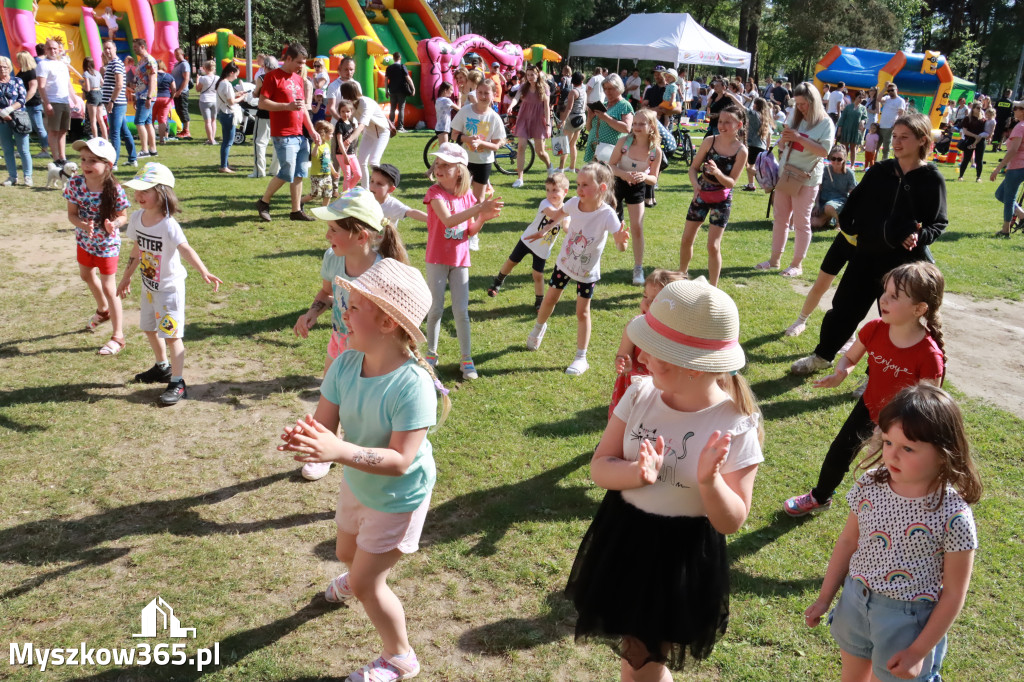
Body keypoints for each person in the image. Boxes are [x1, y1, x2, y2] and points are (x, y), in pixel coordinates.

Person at [566, 277, 763, 681]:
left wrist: (709, 482)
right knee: (638, 658)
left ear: (695, 367)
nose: (645, 358)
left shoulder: (735, 425)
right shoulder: (639, 394)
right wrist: (635, 473)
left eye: (659, 355)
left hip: (677, 556)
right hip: (624, 537)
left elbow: (731, 521)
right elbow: (600, 466)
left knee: (642, 661)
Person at [278, 257, 451, 682]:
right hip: (358, 484)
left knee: (367, 585)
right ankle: (354, 574)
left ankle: (399, 657)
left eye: (354, 308)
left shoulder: (413, 386)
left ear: (389, 322)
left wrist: (336, 450)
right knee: (344, 554)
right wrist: (308, 437)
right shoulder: (344, 365)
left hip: (397, 497)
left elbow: (399, 461)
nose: (344, 314)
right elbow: (325, 426)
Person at [804, 383, 980, 682]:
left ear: (943, 452)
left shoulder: (954, 516)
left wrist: (917, 653)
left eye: (907, 448)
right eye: (887, 442)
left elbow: (953, 594)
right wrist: (824, 598)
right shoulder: (869, 484)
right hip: (854, 604)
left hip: (907, 623)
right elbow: (848, 541)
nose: (891, 456)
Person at [791, 113, 947, 376]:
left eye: (904, 137)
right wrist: (854, 229)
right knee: (843, 310)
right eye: (894, 136)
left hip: (901, 265)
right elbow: (852, 207)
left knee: (894, 321)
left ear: (922, 140)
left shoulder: (931, 178)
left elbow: (938, 223)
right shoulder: (880, 171)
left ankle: (876, 374)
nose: (896, 142)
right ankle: (822, 356)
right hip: (865, 256)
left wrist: (919, 236)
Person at [786, 261, 946, 517]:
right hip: (869, 405)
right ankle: (820, 497)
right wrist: (841, 373)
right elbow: (850, 357)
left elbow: (926, 408)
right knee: (839, 453)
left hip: (902, 425)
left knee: (885, 472)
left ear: (919, 309)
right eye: (885, 291)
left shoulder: (929, 356)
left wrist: (892, 432)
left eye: (894, 296)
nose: (883, 299)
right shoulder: (874, 329)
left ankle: (887, 516)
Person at [292, 188, 411, 483]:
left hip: (373, 349)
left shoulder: (385, 270)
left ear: (361, 237)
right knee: (329, 397)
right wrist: (312, 312)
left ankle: (371, 455)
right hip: (340, 341)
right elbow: (326, 292)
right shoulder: (333, 258)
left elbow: (398, 319)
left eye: (333, 229)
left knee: (364, 405)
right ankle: (325, 453)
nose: (327, 236)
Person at [116, 163, 222, 405]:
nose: (139, 195)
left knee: (172, 334)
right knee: (148, 328)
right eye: (137, 190)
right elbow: (137, 248)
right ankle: (162, 366)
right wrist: (126, 277)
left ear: (162, 193)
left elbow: (185, 248)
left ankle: (177, 381)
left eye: (146, 190)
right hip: (149, 287)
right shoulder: (136, 218)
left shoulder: (168, 224)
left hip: (169, 290)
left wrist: (204, 271)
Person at [526, 162, 629, 376]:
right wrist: (543, 230)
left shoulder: (608, 214)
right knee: (549, 299)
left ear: (601, 188)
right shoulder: (573, 203)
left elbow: (621, 247)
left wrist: (621, 241)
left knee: (582, 312)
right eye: (578, 184)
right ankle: (538, 328)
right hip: (564, 264)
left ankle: (581, 358)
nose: (579, 189)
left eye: (584, 185)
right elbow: (558, 216)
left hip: (586, 273)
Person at [423, 142, 504, 379]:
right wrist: (480, 207)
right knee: (436, 308)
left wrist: (483, 217)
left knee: (461, 311)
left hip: (460, 259)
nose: (439, 168)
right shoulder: (434, 193)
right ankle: (430, 354)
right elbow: (448, 221)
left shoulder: (467, 195)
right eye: (437, 164)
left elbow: (470, 231)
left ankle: (466, 358)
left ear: (459, 169)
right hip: (437, 258)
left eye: (446, 165)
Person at [755, 82, 834, 278]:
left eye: (803, 104)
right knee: (780, 218)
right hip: (786, 174)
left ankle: (797, 265)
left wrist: (798, 138)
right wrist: (785, 139)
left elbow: (824, 151)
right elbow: (783, 146)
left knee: (801, 222)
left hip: (806, 179)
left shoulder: (826, 123)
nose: (800, 108)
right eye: (797, 104)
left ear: (814, 102)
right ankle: (774, 260)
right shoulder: (796, 117)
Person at [64, 137, 130, 354]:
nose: (85, 165)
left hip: (107, 245)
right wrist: (83, 225)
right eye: (83, 159)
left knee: (109, 288)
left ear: (108, 165)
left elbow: (123, 216)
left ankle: (118, 336)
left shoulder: (114, 189)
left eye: (92, 161)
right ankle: (103, 311)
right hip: (84, 241)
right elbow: (71, 215)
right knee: (85, 275)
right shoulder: (74, 184)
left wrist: (115, 224)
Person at [607, 268, 687, 419]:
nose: (647, 303)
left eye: (656, 299)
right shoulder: (634, 327)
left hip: (664, 390)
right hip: (633, 388)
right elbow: (622, 354)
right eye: (645, 296)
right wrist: (622, 362)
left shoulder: (677, 336)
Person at [255, 43, 322, 222]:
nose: (302, 66)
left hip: (300, 134)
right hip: (283, 133)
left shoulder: (298, 79)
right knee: (287, 171)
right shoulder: (272, 77)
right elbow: (262, 103)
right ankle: (263, 202)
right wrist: (287, 106)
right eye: (300, 62)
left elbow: (302, 109)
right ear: (289, 58)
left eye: (304, 62)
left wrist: (312, 130)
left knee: (300, 172)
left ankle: (296, 211)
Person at [681, 105, 747, 287]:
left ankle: (713, 288)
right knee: (687, 239)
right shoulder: (709, 141)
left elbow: (731, 182)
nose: (722, 125)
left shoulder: (741, 151)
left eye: (728, 122)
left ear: (739, 125)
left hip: (722, 200)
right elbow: (693, 168)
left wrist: (717, 173)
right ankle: (682, 276)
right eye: (720, 121)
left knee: (713, 246)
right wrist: (696, 186)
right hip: (701, 195)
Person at [488, 172, 571, 309]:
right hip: (527, 241)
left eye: (555, 190)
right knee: (511, 262)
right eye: (548, 190)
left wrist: (575, 227)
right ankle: (498, 281)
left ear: (565, 191)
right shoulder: (545, 203)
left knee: (537, 275)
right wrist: (570, 211)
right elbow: (555, 215)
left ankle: (539, 302)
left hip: (543, 249)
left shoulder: (566, 212)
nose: (550, 194)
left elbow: (567, 228)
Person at [450, 77, 505, 250]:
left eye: (486, 93)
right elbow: (454, 135)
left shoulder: (494, 118)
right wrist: (467, 139)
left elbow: (496, 145)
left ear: (493, 95)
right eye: (479, 92)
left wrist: (481, 143)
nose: (482, 96)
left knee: (478, 199)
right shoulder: (465, 111)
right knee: (459, 195)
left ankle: (474, 235)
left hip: (483, 162)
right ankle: (458, 229)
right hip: (464, 161)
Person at [609, 109, 662, 285]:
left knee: (637, 227)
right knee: (606, 223)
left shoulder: (655, 151)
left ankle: (638, 268)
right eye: (635, 123)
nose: (637, 127)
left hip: (637, 187)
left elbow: (654, 178)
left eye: (642, 124)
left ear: (651, 127)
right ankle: (588, 260)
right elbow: (610, 166)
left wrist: (643, 177)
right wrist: (624, 175)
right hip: (617, 184)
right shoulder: (624, 142)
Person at [341, 81, 391, 191]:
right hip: (369, 133)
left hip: (381, 132)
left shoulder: (366, 103)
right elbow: (349, 121)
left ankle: (383, 185)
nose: (344, 99)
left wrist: (349, 140)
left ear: (350, 94)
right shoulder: (353, 104)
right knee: (361, 162)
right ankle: (366, 190)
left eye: (345, 95)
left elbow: (362, 125)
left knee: (373, 162)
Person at [509, 65, 553, 187]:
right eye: (528, 75)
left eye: (532, 74)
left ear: (537, 74)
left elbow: (546, 107)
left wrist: (548, 126)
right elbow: (516, 98)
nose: (530, 77)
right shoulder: (523, 87)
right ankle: (520, 178)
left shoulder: (544, 88)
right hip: (524, 119)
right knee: (521, 147)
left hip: (539, 120)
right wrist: (511, 106)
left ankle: (549, 166)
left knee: (540, 152)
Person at [36, 38, 74, 164]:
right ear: (45, 50)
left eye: (55, 48)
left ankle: (63, 157)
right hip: (53, 101)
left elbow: (68, 84)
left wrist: (73, 100)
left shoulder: (62, 64)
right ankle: (56, 158)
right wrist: (47, 103)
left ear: (59, 49)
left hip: (64, 100)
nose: (52, 51)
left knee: (63, 130)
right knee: (53, 130)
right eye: (50, 48)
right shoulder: (43, 64)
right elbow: (41, 86)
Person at [99, 41, 136, 169]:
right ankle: (132, 158)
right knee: (124, 131)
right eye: (105, 49)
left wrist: (111, 102)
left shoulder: (116, 63)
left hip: (116, 104)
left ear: (115, 48)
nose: (107, 51)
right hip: (115, 103)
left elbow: (119, 85)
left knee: (114, 133)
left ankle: (113, 163)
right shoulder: (111, 64)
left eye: (109, 48)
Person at [583, 74, 634, 164]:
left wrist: (606, 118)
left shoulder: (624, 105)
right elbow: (589, 129)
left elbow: (626, 128)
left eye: (610, 88)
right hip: (593, 148)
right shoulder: (604, 104)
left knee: (604, 176)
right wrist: (590, 118)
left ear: (619, 88)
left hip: (608, 150)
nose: (607, 91)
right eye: (605, 88)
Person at [0, 56, 34, 187]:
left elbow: (21, 99)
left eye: (5, 67)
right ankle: (12, 176)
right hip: (2, 121)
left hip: (19, 119)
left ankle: (28, 176)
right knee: (7, 149)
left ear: (9, 68)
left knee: (24, 149)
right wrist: (2, 113)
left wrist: (8, 110)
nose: (3, 69)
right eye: (0, 67)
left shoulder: (17, 81)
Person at [811, 144, 857, 230]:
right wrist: (817, 205)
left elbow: (852, 193)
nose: (836, 162)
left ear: (844, 160)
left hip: (839, 202)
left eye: (839, 159)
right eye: (833, 158)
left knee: (829, 206)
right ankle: (828, 219)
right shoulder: (824, 170)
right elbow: (818, 189)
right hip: (823, 202)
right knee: (813, 223)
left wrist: (851, 209)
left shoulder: (849, 173)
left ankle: (841, 222)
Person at [367, 163, 427, 229]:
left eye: (379, 184)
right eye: (372, 181)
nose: (372, 186)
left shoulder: (392, 205)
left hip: (385, 239)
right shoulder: (364, 199)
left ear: (390, 189)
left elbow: (411, 212)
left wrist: (432, 219)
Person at [14, 50, 48, 160]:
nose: (17, 61)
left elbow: (32, 89)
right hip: (26, 104)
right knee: (24, 128)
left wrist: (22, 102)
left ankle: (45, 150)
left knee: (39, 127)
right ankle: (22, 149)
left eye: (19, 59)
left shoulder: (32, 72)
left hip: (33, 104)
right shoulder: (22, 72)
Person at [300, 120, 340, 207]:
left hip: (327, 175)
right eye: (330, 133)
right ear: (323, 133)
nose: (332, 136)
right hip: (317, 175)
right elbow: (313, 155)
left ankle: (324, 209)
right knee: (315, 195)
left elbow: (328, 160)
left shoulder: (327, 146)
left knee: (328, 193)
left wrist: (333, 172)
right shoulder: (315, 144)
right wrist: (317, 145)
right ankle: (300, 202)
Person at [214, 63, 245, 174]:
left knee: (226, 141)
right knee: (228, 142)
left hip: (223, 113)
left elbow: (227, 97)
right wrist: (241, 97)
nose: (236, 77)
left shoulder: (221, 82)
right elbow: (231, 102)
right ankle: (223, 166)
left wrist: (237, 94)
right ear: (231, 73)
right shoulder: (226, 84)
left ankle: (225, 164)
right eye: (236, 75)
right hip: (228, 114)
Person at [132, 39, 158, 159]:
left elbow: (152, 78)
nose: (134, 49)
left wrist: (148, 96)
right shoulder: (141, 61)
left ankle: (145, 150)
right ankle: (152, 149)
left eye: (136, 47)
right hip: (141, 95)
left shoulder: (149, 60)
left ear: (143, 47)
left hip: (146, 96)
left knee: (139, 122)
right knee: (148, 123)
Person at [556, 72, 586, 175]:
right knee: (573, 144)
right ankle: (572, 167)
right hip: (581, 118)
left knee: (564, 144)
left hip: (572, 119)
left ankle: (561, 168)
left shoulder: (573, 92)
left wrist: (562, 120)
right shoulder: (583, 91)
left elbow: (569, 108)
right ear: (582, 81)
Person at [742, 97, 773, 191]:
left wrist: (731, 96)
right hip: (761, 147)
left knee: (749, 167)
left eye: (754, 103)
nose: (753, 105)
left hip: (754, 145)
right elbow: (769, 134)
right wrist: (767, 147)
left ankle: (767, 181)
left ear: (757, 105)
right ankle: (751, 185)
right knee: (751, 166)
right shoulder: (765, 117)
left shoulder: (755, 115)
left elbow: (742, 107)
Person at [955, 102, 987, 182]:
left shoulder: (983, 120)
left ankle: (978, 177)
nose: (980, 110)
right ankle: (961, 176)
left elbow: (987, 131)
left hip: (981, 141)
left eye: (981, 108)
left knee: (979, 160)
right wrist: (975, 136)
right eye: (978, 108)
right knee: (966, 159)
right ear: (973, 109)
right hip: (970, 140)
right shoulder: (967, 118)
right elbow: (965, 131)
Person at [333, 99, 360, 191]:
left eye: (347, 111)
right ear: (339, 112)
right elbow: (340, 141)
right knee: (347, 176)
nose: (345, 114)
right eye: (342, 111)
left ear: (351, 112)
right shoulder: (339, 124)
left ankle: (347, 191)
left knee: (358, 175)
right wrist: (344, 155)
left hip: (351, 153)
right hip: (341, 154)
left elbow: (353, 139)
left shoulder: (351, 124)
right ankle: (345, 197)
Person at [325, 56, 361, 124]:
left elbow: (359, 105)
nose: (349, 72)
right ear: (340, 69)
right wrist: (342, 121)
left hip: (353, 123)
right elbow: (331, 108)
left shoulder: (357, 85)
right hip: (337, 123)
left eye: (351, 69)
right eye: (346, 69)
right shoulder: (333, 86)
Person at [384, 51, 414, 133]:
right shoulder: (402, 67)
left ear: (393, 58)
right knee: (401, 109)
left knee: (392, 109)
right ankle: (400, 127)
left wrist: (386, 91)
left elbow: (386, 80)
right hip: (401, 90)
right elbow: (408, 78)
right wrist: (413, 88)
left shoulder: (389, 68)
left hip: (392, 91)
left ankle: (391, 126)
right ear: (400, 58)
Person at [836, 91, 867, 166]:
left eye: (862, 98)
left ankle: (852, 165)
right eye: (859, 97)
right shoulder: (848, 107)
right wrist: (839, 130)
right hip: (846, 129)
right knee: (844, 148)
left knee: (853, 148)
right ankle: (843, 163)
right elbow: (842, 119)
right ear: (855, 97)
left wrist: (863, 121)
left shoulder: (863, 108)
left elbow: (865, 118)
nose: (861, 99)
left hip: (855, 130)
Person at [877, 83, 906, 160]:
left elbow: (901, 115)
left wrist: (894, 126)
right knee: (876, 146)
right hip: (881, 126)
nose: (890, 92)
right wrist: (884, 88)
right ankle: (874, 164)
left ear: (896, 90)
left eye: (892, 90)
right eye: (888, 90)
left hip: (889, 127)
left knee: (886, 148)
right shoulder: (887, 98)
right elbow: (878, 99)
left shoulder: (900, 100)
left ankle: (884, 164)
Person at [80, 57, 106, 140]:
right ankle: (105, 138)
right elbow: (102, 83)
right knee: (100, 119)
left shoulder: (86, 74)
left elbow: (87, 88)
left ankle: (95, 138)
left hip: (92, 95)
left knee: (93, 120)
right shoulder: (97, 73)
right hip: (99, 94)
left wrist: (82, 85)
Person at [195, 60, 219, 146]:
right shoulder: (218, 78)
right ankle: (213, 138)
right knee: (213, 121)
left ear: (205, 68)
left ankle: (210, 140)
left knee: (207, 121)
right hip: (215, 100)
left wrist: (197, 80)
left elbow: (198, 89)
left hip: (205, 100)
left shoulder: (203, 78)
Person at [170, 47, 192, 140]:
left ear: (182, 54)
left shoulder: (184, 65)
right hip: (176, 92)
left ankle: (187, 131)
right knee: (179, 110)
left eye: (178, 55)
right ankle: (184, 130)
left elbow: (186, 78)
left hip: (182, 92)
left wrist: (180, 91)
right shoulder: (177, 65)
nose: (176, 57)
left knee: (183, 110)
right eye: (175, 55)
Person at [153, 61, 176, 144]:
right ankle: (162, 139)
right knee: (162, 120)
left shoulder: (153, 75)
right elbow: (174, 88)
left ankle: (151, 139)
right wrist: (171, 97)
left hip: (154, 98)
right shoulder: (169, 76)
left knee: (151, 120)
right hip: (165, 98)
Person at [433, 81, 457, 145]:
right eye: (451, 90)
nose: (452, 92)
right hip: (443, 128)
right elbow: (459, 109)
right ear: (445, 90)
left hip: (439, 127)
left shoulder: (438, 100)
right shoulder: (446, 100)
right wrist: (459, 98)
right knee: (444, 150)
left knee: (443, 149)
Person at [992, 88, 1014, 152]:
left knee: (996, 133)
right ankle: (997, 146)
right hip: (1004, 120)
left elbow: (995, 110)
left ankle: (994, 146)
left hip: (997, 119)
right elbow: (1010, 113)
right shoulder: (1010, 103)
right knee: (1001, 134)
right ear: (1009, 94)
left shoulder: (999, 101)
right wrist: (1009, 121)